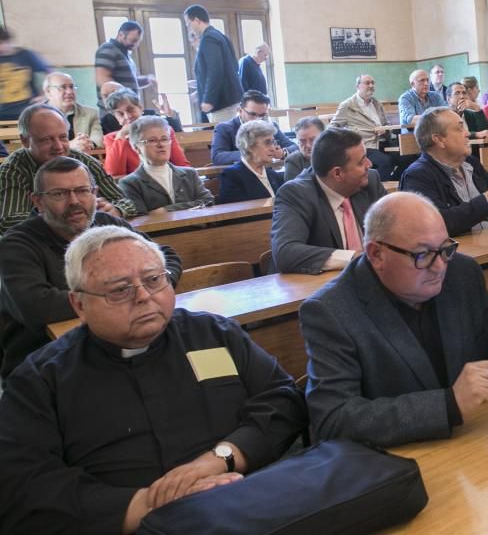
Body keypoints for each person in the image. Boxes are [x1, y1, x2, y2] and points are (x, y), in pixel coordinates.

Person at [0, 225, 306, 534]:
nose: (144, 297)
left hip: (250, 502)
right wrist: (146, 504)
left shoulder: (214, 334)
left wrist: (221, 458)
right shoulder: (41, 380)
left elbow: (283, 400)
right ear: (79, 304)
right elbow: (23, 485)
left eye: (153, 280)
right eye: (120, 289)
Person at [300, 192, 488, 448]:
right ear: (376, 254)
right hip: (399, 464)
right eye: (422, 254)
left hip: (477, 444)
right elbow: (333, 420)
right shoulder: (330, 311)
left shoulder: (462, 272)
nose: (440, 265)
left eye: (445, 249)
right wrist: (448, 405)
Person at [0, 156, 182, 381]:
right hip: (46, 363)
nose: (74, 201)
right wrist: (121, 297)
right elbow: (36, 306)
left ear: (95, 193)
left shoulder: (109, 224)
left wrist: (157, 283)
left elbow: (168, 257)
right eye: (60, 194)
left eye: (83, 191)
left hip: (118, 345)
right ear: (37, 201)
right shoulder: (17, 243)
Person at [0, 104, 136, 234]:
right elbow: (9, 221)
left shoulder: (83, 161)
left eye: (63, 137)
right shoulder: (13, 171)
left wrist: (116, 210)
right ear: (25, 141)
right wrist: (64, 215)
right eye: (47, 140)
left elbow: (125, 202)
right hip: (41, 246)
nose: (58, 146)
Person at [272, 128, 386, 274]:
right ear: (337, 173)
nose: (369, 164)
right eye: (361, 162)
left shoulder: (370, 181)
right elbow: (285, 253)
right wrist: (355, 258)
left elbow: (395, 228)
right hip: (321, 286)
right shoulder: (296, 194)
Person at [401, 107, 488, 236]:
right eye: (459, 128)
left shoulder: (471, 163)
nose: (467, 133)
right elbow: (438, 223)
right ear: (439, 140)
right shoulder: (417, 176)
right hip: (457, 253)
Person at [118, 116, 214, 214]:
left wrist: (166, 210)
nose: (161, 145)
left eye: (164, 139)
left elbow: (208, 201)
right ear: (137, 147)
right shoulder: (129, 183)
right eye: (152, 140)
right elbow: (141, 216)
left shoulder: (190, 173)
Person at [103, 89, 190, 176]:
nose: (127, 116)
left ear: (140, 108)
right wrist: (121, 137)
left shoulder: (164, 130)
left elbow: (182, 165)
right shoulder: (112, 138)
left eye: (131, 110)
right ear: (116, 117)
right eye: (120, 114)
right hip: (132, 187)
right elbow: (113, 173)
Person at [331, 74, 399, 180]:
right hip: (365, 146)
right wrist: (350, 138)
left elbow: (387, 124)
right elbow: (332, 128)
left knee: (408, 157)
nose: (371, 85)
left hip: (383, 143)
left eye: (373, 83)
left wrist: (384, 130)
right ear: (357, 86)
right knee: (386, 162)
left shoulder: (377, 104)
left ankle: (392, 185)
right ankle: (375, 189)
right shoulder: (348, 105)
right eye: (367, 83)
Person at [184, 4, 243, 123]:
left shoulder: (209, 38)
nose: (189, 28)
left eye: (189, 24)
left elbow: (215, 70)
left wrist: (208, 99)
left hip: (222, 103)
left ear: (196, 20)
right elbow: (232, 67)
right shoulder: (219, 35)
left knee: (224, 139)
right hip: (230, 100)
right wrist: (200, 86)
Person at [211, 90, 297, 166]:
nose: (257, 119)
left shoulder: (270, 126)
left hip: (269, 174)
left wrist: (283, 153)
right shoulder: (224, 128)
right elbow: (217, 157)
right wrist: (252, 153)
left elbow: (295, 147)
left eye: (262, 115)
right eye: (252, 114)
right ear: (240, 111)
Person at [94, 20, 157, 110]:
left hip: (126, 109)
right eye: (133, 40)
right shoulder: (108, 49)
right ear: (121, 35)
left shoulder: (125, 55)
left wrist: (147, 80)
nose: (136, 44)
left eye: (138, 41)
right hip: (115, 110)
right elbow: (103, 80)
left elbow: (129, 83)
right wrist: (124, 103)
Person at [217, 119, 285, 204]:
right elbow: (237, 214)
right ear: (249, 146)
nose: (273, 148)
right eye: (267, 143)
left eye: (273, 142)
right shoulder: (232, 176)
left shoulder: (274, 175)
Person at [43, 71, 103, 152]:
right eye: (63, 87)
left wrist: (87, 144)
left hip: (82, 160)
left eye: (71, 87)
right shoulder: (36, 116)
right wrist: (69, 145)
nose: (69, 92)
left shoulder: (91, 113)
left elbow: (98, 137)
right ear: (48, 92)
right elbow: (40, 145)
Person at [0, 25, 50, 121]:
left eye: (1, 43)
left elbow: (50, 73)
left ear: (8, 40)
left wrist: (45, 94)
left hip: (27, 109)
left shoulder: (25, 55)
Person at [99, 80, 182, 135]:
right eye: (105, 96)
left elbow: (176, 133)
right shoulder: (104, 123)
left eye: (115, 92)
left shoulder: (151, 115)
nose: (127, 116)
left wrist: (171, 115)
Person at [283, 116, 324, 181]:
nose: (308, 145)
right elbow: (293, 190)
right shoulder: (293, 161)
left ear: (323, 138)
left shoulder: (336, 155)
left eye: (312, 140)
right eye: (302, 141)